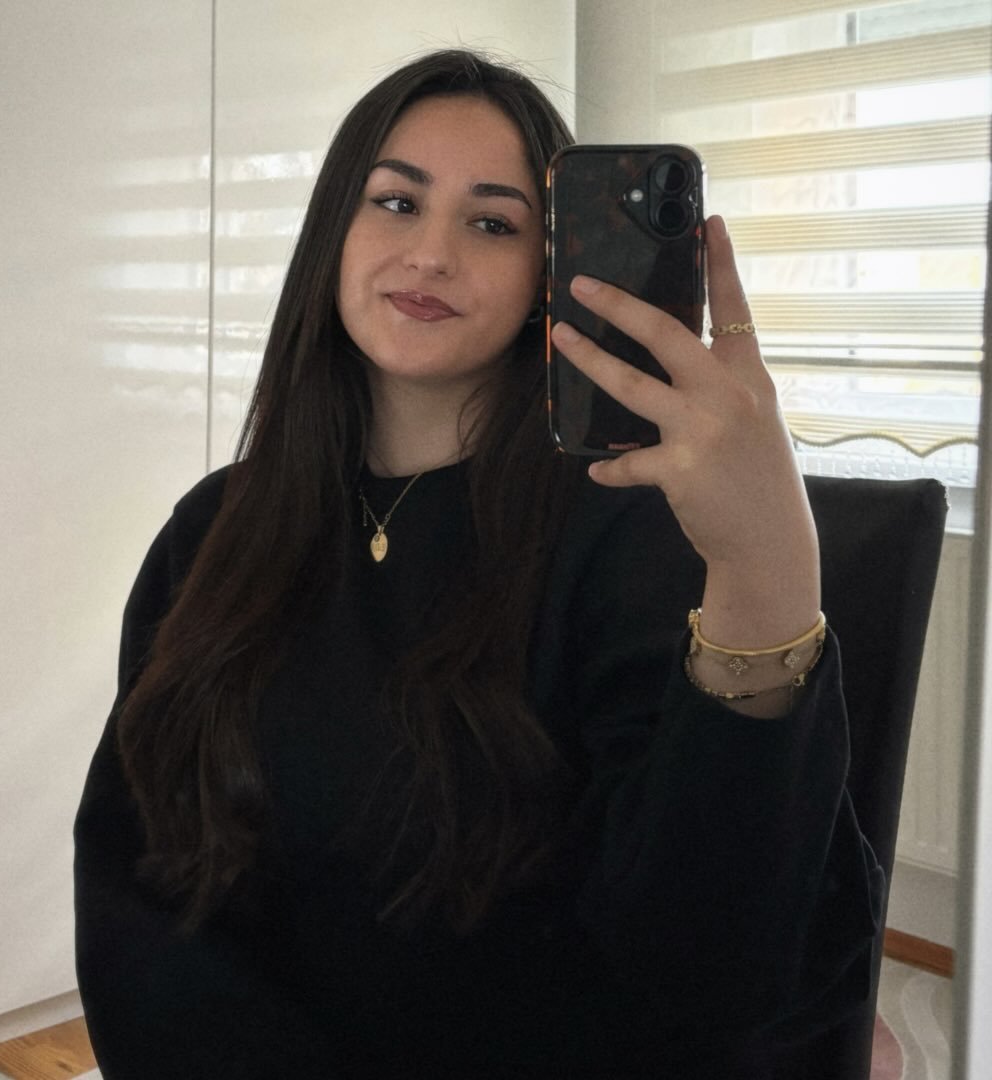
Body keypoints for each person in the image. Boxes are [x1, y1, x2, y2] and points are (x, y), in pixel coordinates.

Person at [74, 49, 883, 1079]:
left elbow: (713, 963)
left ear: (550, 275)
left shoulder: (630, 535)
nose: (431, 254)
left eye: (493, 224)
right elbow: (139, 877)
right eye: (396, 202)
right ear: (334, 232)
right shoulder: (212, 530)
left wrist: (767, 573)